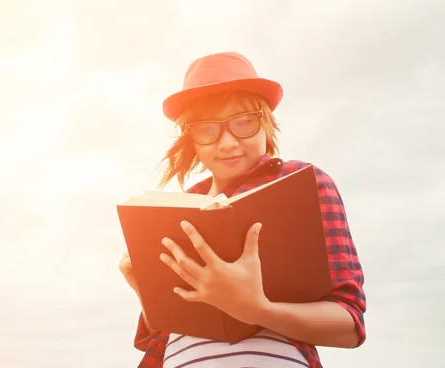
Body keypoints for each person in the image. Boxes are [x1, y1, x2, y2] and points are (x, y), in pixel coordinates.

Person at [118, 51, 366, 368]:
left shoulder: (303, 183)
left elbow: (348, 325)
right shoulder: (175, 208)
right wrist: (147, 292)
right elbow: (161, 333)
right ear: (190, 138)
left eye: (244, 123)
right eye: (207, 129)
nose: (227, 144)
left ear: (266, 123)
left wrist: (257, 310)